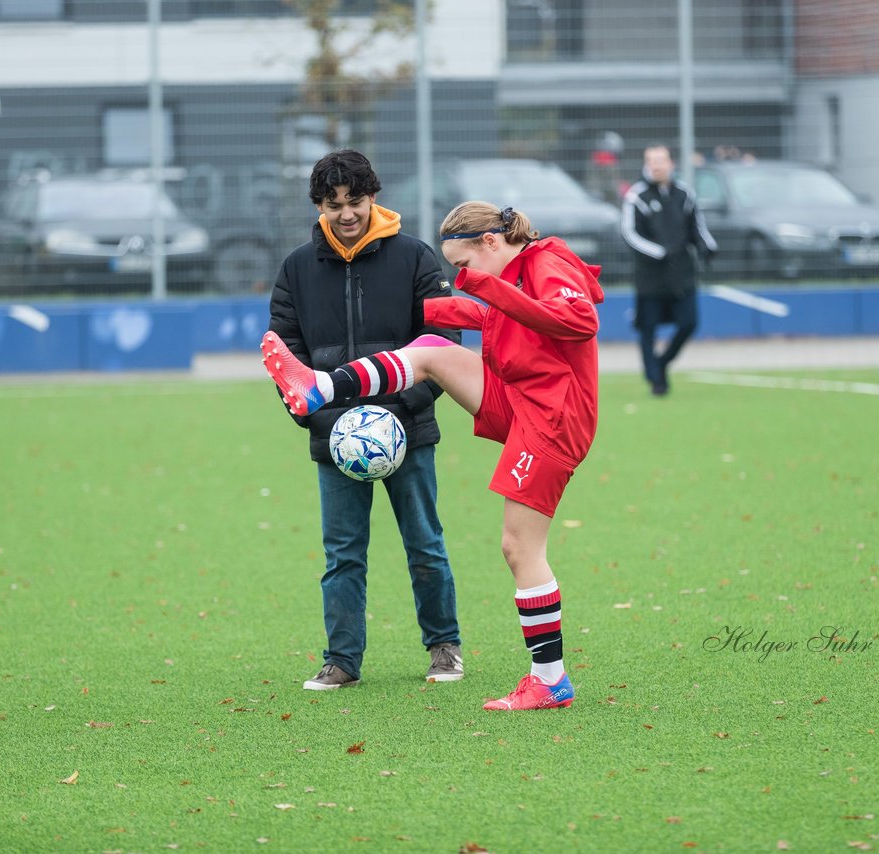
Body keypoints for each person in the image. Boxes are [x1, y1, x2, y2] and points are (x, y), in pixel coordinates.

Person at [263, 200, 604, 711]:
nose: (462, 275)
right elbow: (491, 315)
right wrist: (426, 307)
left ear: (491, 242)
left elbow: (578, 320)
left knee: (520, 548)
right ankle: (320, 388)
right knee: (428, 350)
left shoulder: (545, 262)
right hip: (525, 400)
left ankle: (550, 680)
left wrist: (486, 288)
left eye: (463, 265)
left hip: (554, 419)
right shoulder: (515, 270)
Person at [266, 149, 464, 692]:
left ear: (373, 196)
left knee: (424, 542)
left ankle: (444, 646)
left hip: (407, 432)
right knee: (342, 553)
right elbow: (287, 355)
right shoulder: (297, 268)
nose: (346, 214)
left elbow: (444, 345)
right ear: (319, 206)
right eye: (334, 205)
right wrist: (322, 419)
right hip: (334, 437)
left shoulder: (416, 258)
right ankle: (342, 659)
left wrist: (395, 412)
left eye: (355, 201)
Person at [620, 144, 717, 396]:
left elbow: (698, 228)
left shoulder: (684, 194)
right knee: (647, 328)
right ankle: (655, 378)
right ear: (645, 164)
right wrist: (658, 252)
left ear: (671, 164)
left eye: (661, 160)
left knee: (689, 323)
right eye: (651, 161)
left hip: (681, 275)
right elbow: (630, 234)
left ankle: (662, 362)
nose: (656, 165)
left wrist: (707, 247)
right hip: (650, 277)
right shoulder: (636, 197)